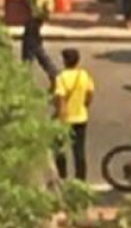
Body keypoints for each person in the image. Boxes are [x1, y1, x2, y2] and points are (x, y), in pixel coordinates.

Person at [52, 48, 94, 181]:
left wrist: (59, 116)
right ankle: (81, 179)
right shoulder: (84, 75)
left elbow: (60, 99)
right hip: (81, 118)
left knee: (60, 150)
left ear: (64, 61)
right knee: (79, 151)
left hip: (65, 119)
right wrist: (84, 106)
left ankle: (62, 176)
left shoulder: (61, 78)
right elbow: (90, 94)